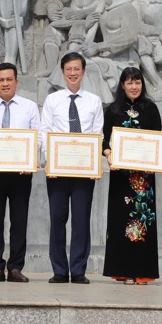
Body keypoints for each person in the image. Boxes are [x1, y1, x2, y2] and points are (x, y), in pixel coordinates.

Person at [38, 52, 103, 284]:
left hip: (84, 169)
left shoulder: (94, 101)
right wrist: (49, 161)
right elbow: (44, 131)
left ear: (83, 72)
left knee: (81, 219)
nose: (73, 73)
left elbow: (97, 134)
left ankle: (78, 269)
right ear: (63, 72)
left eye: (77, 69)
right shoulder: (52, 100)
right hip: (56, 169)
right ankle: (58, 269)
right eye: (69, 69)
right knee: (57, 218)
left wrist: (95, 164)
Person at [0, 62, 41, 283]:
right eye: (1, 80)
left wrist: (31, 161)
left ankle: (15, 267)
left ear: (16, 82)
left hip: (21, 173)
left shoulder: (29, 106)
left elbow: (37, 136)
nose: (5, 83)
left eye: (9, 79)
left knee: (19, 221)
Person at [101, 67, 162, 284]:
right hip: (120, 177)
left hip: (143, 179)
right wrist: (108, 153)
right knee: (120, 221)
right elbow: (103, 139)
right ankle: (122, 269)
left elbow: (158, 140)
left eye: (137, 82)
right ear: (122, 85)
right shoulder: (113, 109)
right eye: (129, 82)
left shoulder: (151, 108)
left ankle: (142, 271)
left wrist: (153, 162)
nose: (134, 87)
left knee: (142, 220)